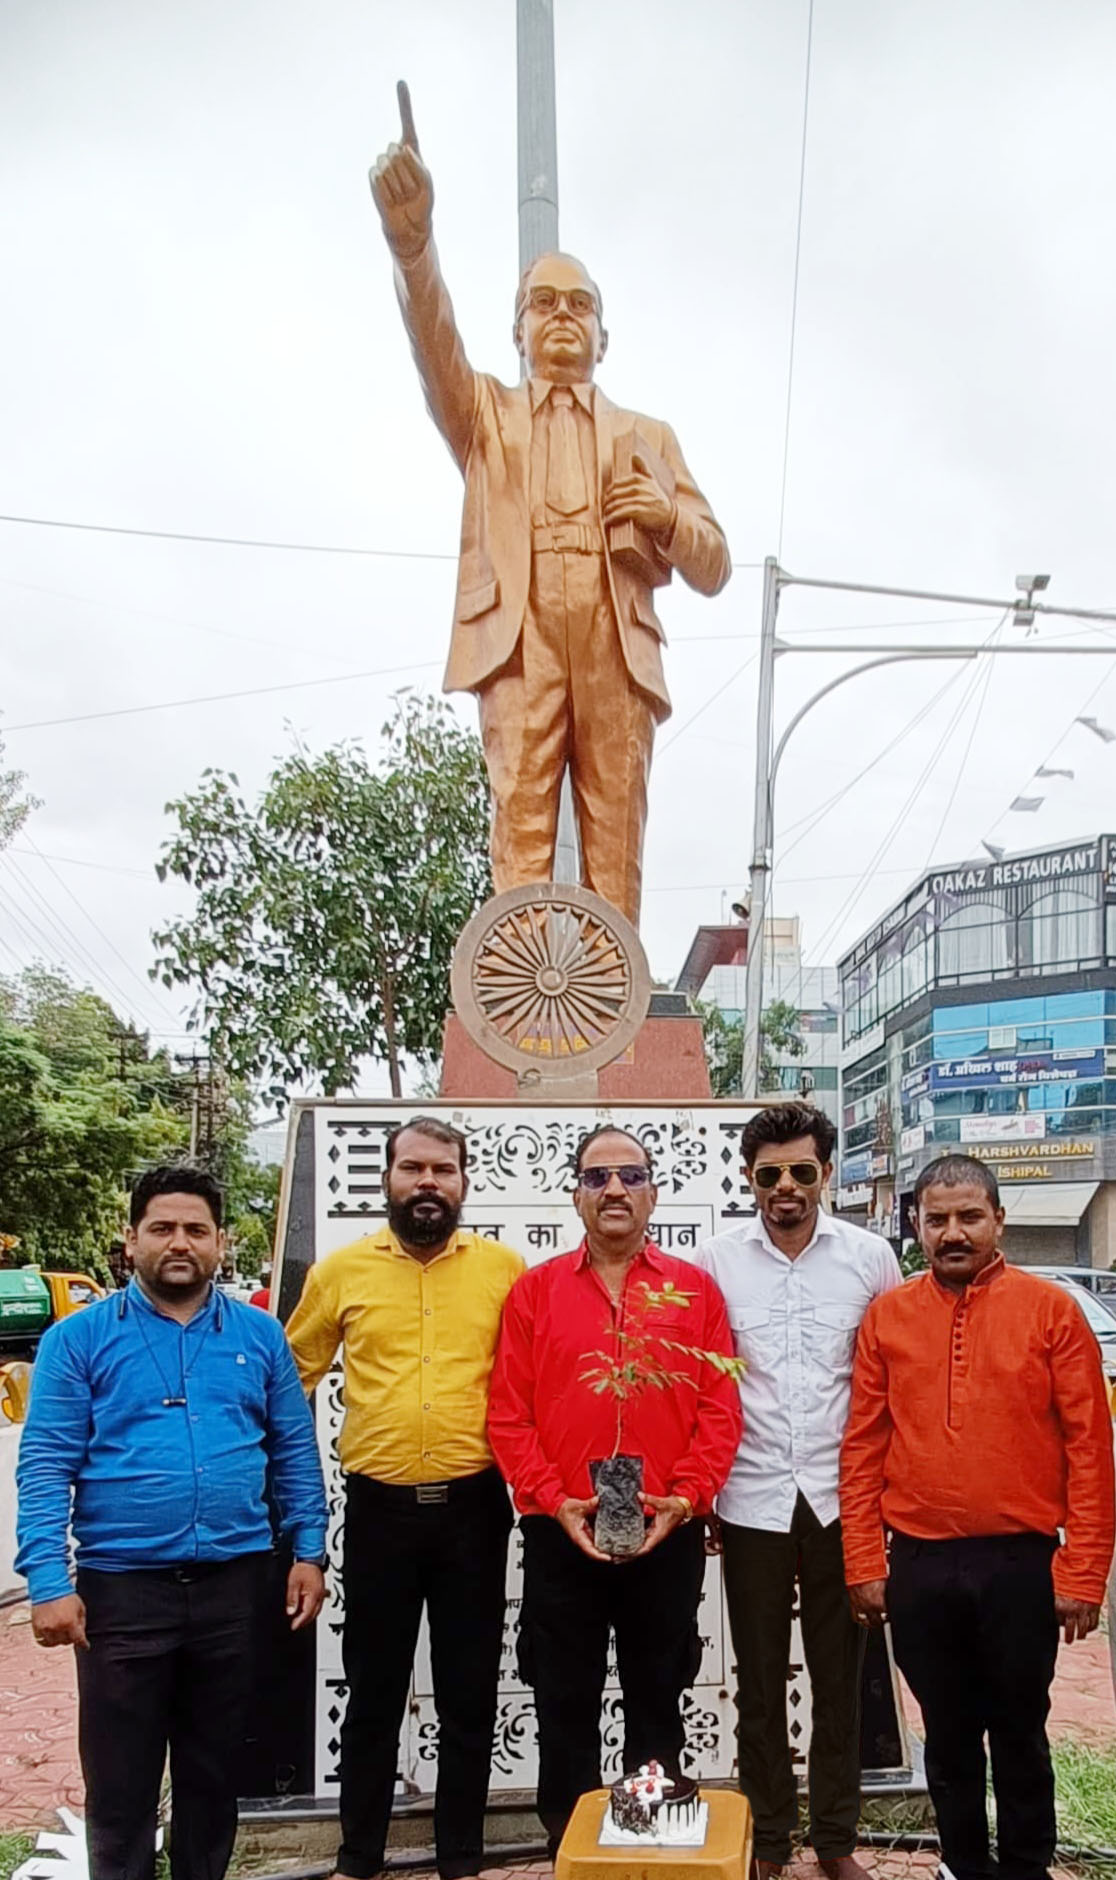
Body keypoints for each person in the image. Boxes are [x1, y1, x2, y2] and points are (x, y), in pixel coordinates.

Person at [368, 92, 731, 927]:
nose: (563, 315)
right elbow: (435, 348)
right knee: (520, 850)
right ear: (518, 331)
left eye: (580, 304)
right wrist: (413, 248)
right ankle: (516, 996)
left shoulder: (649, 435)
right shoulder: (485, 417)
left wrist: (668, 518)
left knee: (616, 862)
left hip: (616, 646)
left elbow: (714, 562)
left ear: (604, 336)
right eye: (544, 302)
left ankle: (613, 996)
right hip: (520, 636)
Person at [16, 1165, 328, 1880]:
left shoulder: (259, 1336)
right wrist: (47, 1581)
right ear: (131, 1240)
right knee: (120, 1786)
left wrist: (309, 1549)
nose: (179, 1242)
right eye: (162, 1228)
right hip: (121, 1594)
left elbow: (292, 1448)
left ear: (221, 1241)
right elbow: (44, 1466)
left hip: (235, 1588)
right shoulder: (78, 1340)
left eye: (196, 1229)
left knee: (213, 1781)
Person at [841, 1153, 1116, 1880]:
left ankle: (1026, 1867)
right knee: (948, 1734)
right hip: (920, 1564)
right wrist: (865, 1560)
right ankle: (961, 1865)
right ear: (916, 1226)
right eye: (937, 1219)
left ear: (999, 1220)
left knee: (1020, 1731)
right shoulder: (888, 1317)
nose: (953, 1232)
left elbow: (1091, 1450)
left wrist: (1084, 1572)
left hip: (1020, 1563)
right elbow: (863, 1448)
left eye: (969, 1217)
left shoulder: (1051, 1312)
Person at [488, 1125, 742, 1854]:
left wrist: (686, 1496)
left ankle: (644, 1840)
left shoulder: (692, 1292)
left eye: (630, 1175)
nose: (615, 1190)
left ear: (653, 1193)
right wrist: (551, 1498)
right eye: (597, 1178)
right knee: (562, 1695)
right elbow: (508, 1414)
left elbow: (720, 1409)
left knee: (657, 1691)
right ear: (576, 1196)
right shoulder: (535, 1294)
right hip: (561, 1528)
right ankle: (571, 1845)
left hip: (665, 1527)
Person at [285, 1116, 526, 1880]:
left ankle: (462, 1859)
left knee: (469, 1693)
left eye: (442, 1170)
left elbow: (533, 1381)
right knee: (373, 1693)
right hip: (379, 1514)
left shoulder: (504, 1271)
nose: (428, 1182)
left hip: (474, 1512)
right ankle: (358, 1858)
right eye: (413, 1168)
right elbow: (290, 1381)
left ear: (463, 1182)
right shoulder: (340, 1273)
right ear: (386, 1179)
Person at [693, 1102, 901, 1880]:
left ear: (826, 1174)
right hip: (750, 1499)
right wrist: (705, 1490)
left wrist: (885, 1502)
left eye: (802, 1171)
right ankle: (771, 1838)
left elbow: (892, 1381)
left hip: (843, 1502)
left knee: (840, 1679)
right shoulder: (715, 1262)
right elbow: (703, 1384)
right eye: (770, 1173)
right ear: (750, 1179)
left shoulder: (870, 1258)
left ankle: (837, 1842)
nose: (786, 1186)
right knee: (758, 1681)